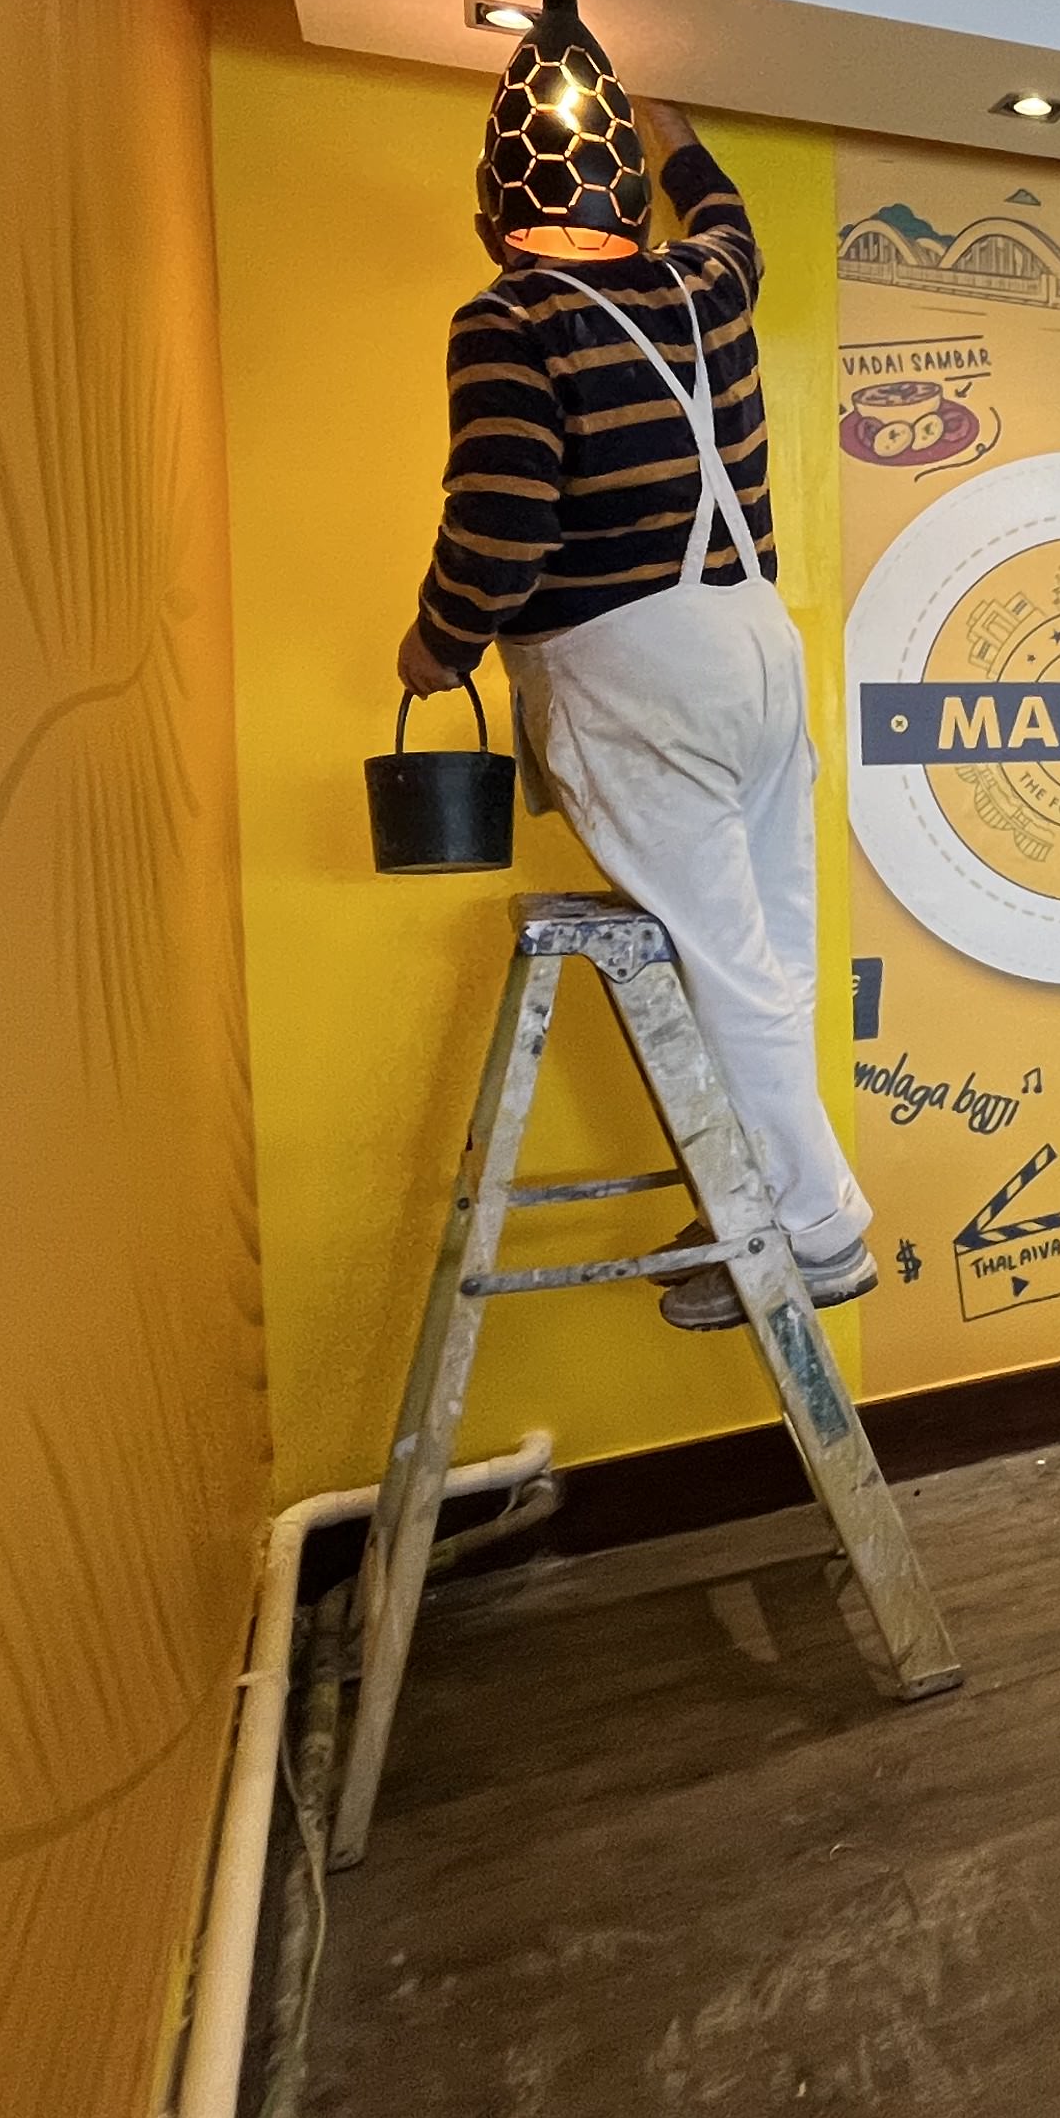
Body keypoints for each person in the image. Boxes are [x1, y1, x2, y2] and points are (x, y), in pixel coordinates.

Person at [397, 100, 879, 1313]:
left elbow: (502, 527)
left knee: (726, 965)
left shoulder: (508, 318)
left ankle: (809, 1226)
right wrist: (671, 127)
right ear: (630, 205)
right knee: (767, 956)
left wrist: (433, 648)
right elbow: (731, 225)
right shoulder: (706, 289)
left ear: (489, 224)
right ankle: (775, 1203)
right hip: (760, 645)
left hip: (635, 668)